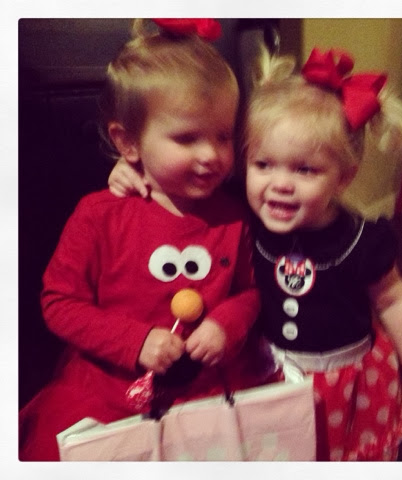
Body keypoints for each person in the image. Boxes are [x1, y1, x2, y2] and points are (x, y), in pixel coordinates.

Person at [109, 45, 402, 461]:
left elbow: (394, 301)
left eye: (305, 169)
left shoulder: (362, 241)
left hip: (342, 379)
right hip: (265, 372)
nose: (280, 184)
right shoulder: (242, 210)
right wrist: (133, 169)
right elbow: (183, 188)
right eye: (263, 165)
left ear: (343, 177)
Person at [19, 19, 275, 461]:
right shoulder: (98, 215)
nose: (211, 154)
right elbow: (59, 302)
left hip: (211, 393)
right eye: (187, 138)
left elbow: (251, 291)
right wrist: (135, 342)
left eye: (223, 136)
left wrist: (226, 323)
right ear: (128, 142)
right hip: (111, 396)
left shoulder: (234, 215)